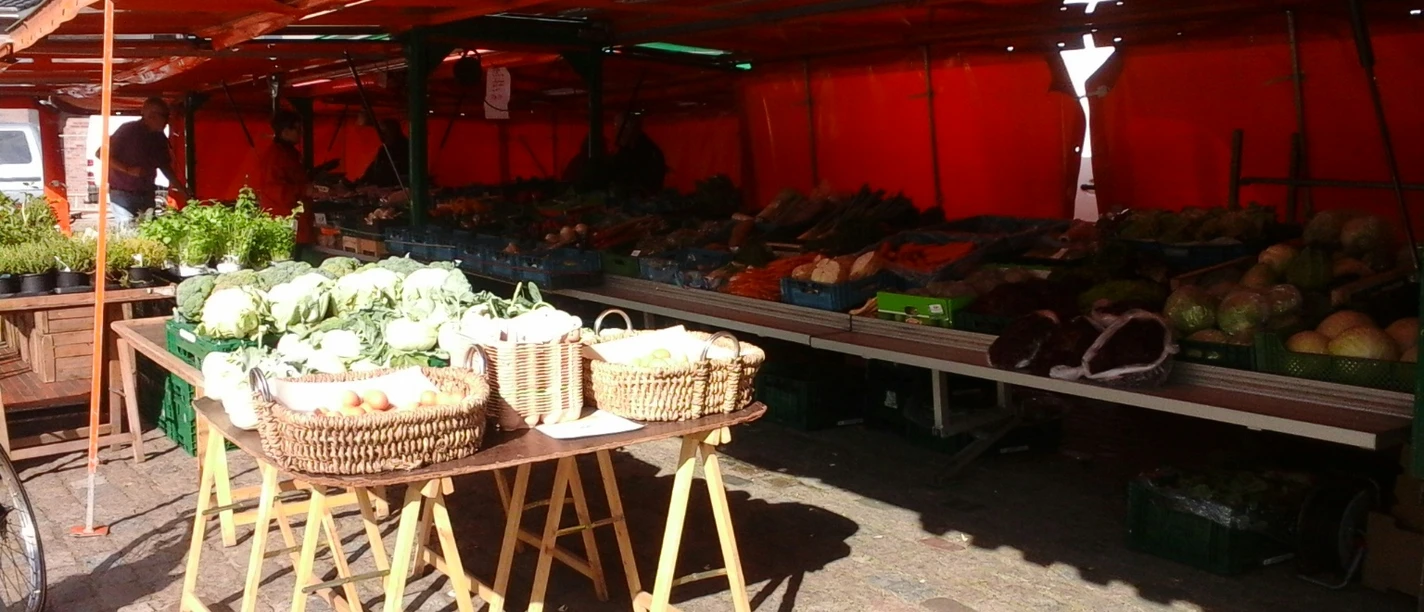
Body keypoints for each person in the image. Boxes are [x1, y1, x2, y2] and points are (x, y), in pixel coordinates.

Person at [103, 97, 185, 225]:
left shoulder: (159, 137)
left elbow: (164, 165)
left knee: (147, 230)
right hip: (123, 193)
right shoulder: (128, 131)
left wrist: (181, 189)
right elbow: (102, 154)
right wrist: (128, 170)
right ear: (151, 116)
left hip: (146, 192)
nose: (168, 120)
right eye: (165, 116)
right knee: (128, 230)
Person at [255, 110, 313, 244]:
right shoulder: (275, 157)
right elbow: (275, 190)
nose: (301, 133)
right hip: (284, 220)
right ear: (285, 132)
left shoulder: (289, 153)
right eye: (297, 129)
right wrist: (304, 190)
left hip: (295, 218)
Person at [609, 113, 667, 195]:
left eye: (623, 127)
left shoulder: (650, 154)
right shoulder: (621, 152)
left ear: (634, 128)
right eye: (616, 127)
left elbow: (650, 187)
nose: (618, 132)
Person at [359, 118, 410, 188]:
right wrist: (362, 181)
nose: (382, 135)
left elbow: (404, 170)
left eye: (385, 132)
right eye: (381, 132)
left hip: (400, 188)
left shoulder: (406, 147)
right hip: (382, 187)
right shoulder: (383, 149)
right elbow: (374, 167)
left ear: (394, 131)